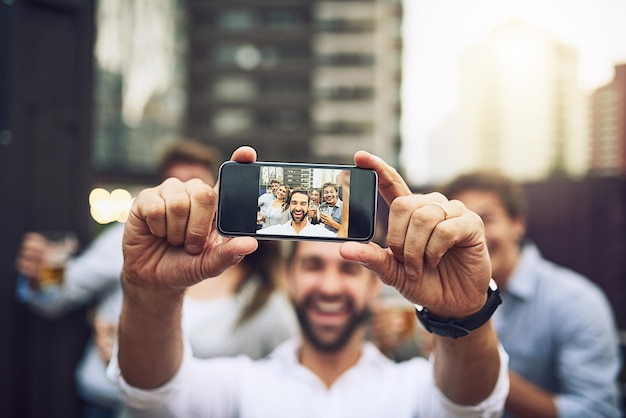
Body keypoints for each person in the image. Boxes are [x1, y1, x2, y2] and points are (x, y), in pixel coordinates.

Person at [107, 146, 510, 417]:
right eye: (314, 266)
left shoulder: (414, 387)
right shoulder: (239, 384)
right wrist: (149, 293)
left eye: (350, 269)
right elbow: (151, 393)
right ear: (289, 278)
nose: (330, 286)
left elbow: (473, 403)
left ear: (375, 288)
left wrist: (465, 315)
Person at [15, 140, 298, 418]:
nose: (185, 196)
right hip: (106, 401)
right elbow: (57, 295)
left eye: (197, 184)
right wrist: (42, 273)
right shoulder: (125, 240)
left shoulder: (243, 271)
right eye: (176, 184)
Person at [440, 170, 623, 418]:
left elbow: (596, 412)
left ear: (517, 224)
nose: (474, 236)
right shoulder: (440, 298)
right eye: (462, 224)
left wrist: (474, 362)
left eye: (485, 220)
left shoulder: (577, 301)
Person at [257, 189, 336, 238]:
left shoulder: (319, 232)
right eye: (294, 203)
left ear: (308, 206)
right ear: (289, 205)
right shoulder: (277, 231)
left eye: (303, 204)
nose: (298, 208)